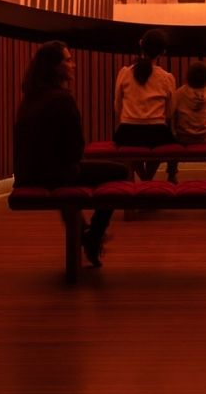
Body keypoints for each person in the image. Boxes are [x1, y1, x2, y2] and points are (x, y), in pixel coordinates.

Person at [14, 42, 131, 266]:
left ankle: (84, 232)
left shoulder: (31, 95)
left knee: (73, 179)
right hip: (52, 173)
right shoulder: (61, 99)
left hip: (28, 172)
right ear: (54, 67)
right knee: (120, 171)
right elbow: (76, 148)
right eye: (67, 60)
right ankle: (94, 236)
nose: (73, 64)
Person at [113, 28, 176, 180]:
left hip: (127, 132)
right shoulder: (167, 78)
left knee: (131, 149)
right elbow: (169, 113)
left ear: (141, 44)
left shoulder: (125, 73)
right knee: (166, 141)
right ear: (163, 52)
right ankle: (148, 177)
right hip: (157, 133)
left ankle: (142, 176)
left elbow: (117, 107)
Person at [168, 60, 206, 182]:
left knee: (172, 144)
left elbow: (171, 114)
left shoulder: (179, 92)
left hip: (183, 138)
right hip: (204, 138)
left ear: (188, 76)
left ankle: (171, 174)